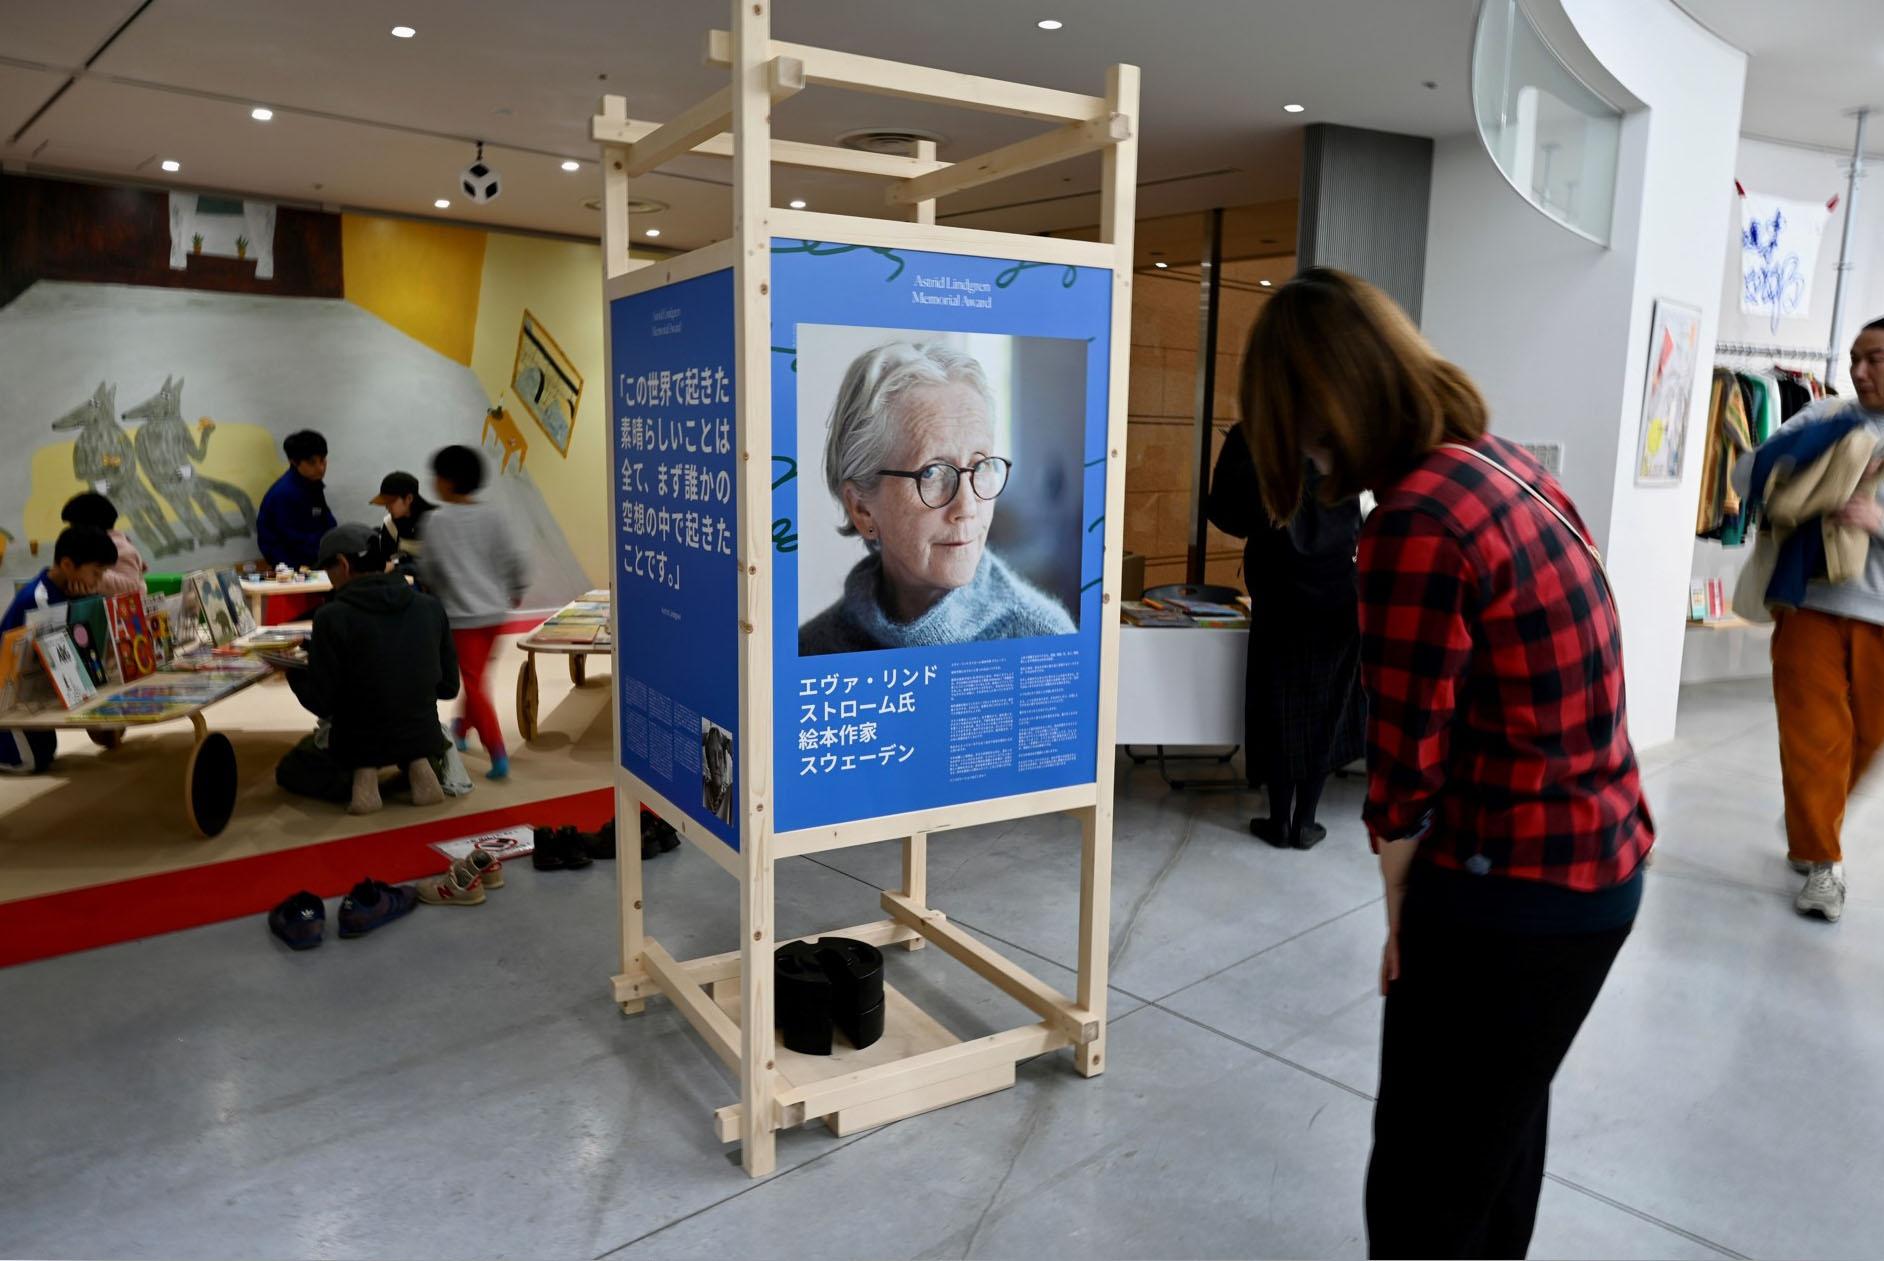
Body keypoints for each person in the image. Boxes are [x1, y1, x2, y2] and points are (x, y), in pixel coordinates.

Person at [1239, 268, 1652, 1260]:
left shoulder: (1415, 523)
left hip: (1513, 885)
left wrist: (1402, 927)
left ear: (1317, 411)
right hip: (1598, 863)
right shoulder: (1502, 465)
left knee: (1423, 1192)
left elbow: (1405, 772)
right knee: (1497, 1152)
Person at [1732, 316, 1884, 922]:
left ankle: (1809, 814)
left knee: (1867, 738)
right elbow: (1746, 474)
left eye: (1875, 358)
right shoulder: (1826, 416)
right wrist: (1801, 461)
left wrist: (1876, 520)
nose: (1859, 371)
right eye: (1854, 359)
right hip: (1811, 602)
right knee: (1814, 738)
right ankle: (1824, 863)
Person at [799, 341, 1074, 655]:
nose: (967, 507)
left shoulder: (1044, 640)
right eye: (931, 473)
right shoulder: (810, 649)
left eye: (980, 465)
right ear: (861, 509)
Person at [1206, 428, 1364, 849]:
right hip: (1337, 593)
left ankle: (1279, 819)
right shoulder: (1341, 431)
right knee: (1327, 706)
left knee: (1278, 704)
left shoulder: (1255, 434)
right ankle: (1305, 821)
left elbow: (1223, 512)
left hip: (1278, 591)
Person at [277, 523, 456, 814]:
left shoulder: (331, 617)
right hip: (422, 736)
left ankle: (365, 777)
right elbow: (449, 687)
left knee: (292, 766)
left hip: (356, 743)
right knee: (417, 740)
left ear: (344, 565)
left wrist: (293, 669)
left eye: (328, 569)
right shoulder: (430, 607)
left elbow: (322, 702)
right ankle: (416, 766)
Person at [420, 445, 527, 780]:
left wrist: (434, 594)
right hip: (495, 613)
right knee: (476, 677)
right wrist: (516, 589)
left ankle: (497, 751)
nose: (433, 483)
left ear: (448, 481)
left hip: (462, 617)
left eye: (436, 477)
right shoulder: (493, 515)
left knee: (475, 682)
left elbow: (430, 569)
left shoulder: (436, 520)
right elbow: (512, 558)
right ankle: (461, 728)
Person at [2, 526, 117, 774]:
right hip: (8, 695)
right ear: (67, 565)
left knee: (46, 753)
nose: (99, 582)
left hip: (34, 694)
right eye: (96, 573)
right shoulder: (40, 599)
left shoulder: (64, 593)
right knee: (30, 762)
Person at [257, 430, 337, 570]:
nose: (320, 468)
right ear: (294, 462)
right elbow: (292, 540)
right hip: (292, 569)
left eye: (323, 460)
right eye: (312, 463)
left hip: (316, 560)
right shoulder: (283, 494)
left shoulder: (313, 484)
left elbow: (328, 523)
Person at [59, 492, 147, 597]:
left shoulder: (122, 548)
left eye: (74, 527)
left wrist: (91, 577)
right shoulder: (94, 547)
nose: (73, 532)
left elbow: (132, 585)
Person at [369, 470, 435, 586]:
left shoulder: (436, 522)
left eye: (391, 502)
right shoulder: (390, 525)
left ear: (408, 498)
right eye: (385, 502)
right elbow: (389, 559)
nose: (387, 507)